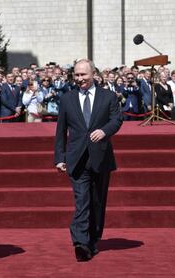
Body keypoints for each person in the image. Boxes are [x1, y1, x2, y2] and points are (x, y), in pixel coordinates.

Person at [54, 59, 123, 262]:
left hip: (100, 157)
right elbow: (60, 131)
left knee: (97, 202)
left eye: (83, 75)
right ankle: (80, 242)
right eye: (76, 75)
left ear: (93, 74)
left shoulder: (108, 97)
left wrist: (104, 131)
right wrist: (60, 157)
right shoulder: (67, 99)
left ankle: (93, 240)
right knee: (82, 201)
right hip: (76, 159)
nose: (79, 79)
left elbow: (116, 119)